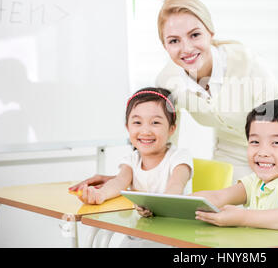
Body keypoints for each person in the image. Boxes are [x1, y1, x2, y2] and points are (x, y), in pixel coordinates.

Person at [70, 0, 278, 226]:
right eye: (174, 40)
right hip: (229, 156)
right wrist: (128, 178)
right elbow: (161, 143)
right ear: (164, 46)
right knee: (227, 226)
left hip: (277, 155)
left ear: (210, 33)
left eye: (195, 35)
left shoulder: (249, 66)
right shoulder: (169, 81)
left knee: (275, 221)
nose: (186, 48)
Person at [193, 99, 278, 231]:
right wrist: (174, 203)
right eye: (255, 141)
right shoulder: (256, 181)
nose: (263, 152)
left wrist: (243, 217)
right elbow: (217, 197)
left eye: (276, 143)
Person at [69, 87, 193, 215]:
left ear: (172, 129)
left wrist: (157, 206)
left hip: (174, 228)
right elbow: (118, 182)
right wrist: (100, 195)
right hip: (142, 228)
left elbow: (176, 186)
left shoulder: (180, 158)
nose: (145, 131)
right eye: (137, 122)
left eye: (155, 122)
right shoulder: (131, 160)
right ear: (127, 127)